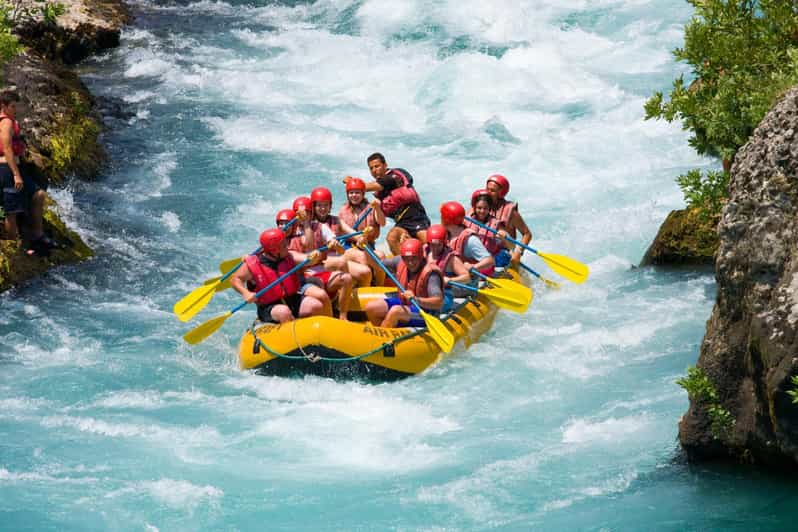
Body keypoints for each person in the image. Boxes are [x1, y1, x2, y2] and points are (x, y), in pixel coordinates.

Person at [231, 228, 331, 323]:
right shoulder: (252, 265)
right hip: (269, 306)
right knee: (283, 312)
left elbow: (306, 260)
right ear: (275, 250)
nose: (287, 247)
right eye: (284, 245)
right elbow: (235, 279)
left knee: (316, 305)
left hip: (292, 298)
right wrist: (245, 293)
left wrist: (314, 256)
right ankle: (293, 337)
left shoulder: (289, 255)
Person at [344, 152, 430, 256]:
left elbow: (372, 186)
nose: (374, 170)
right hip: (401, 222)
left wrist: (352, 183)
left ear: (385, 165)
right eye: (371, 168)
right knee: (392, 238)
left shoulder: (394, 176)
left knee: (425, 239)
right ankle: (404, 268)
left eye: (377, 166)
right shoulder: (380, 194)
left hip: (415, 217)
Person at [289, 192, 355, 320]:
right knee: (318, 296)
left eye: (307, 213)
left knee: (347, 278)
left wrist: (335, 245)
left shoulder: (321, 227)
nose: (303, 217)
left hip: (323, 271)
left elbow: (340, 251)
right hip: (305, 276)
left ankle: (343, 316)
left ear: (311, 213)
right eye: (300, 214)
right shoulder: (290, 231)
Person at [0, 91, 50, 256]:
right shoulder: (6, 123)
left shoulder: (10, 121)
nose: (16, 109)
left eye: (16, 106)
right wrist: (16, 174)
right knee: (12, 211)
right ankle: (16, 249)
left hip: (14, 166)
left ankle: (37, 234)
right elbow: (7, 148)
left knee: (38, 194)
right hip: (7, 169)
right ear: (3, 106)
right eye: (12, 106)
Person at [364, 238, 444, 328]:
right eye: (407, 259)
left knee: (396, 311)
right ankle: (386, 330)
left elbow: (438, 302)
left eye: (414, 258)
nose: (410, 263)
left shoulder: (431, 274)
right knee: (371, 307)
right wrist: (365, 247)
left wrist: (416, 299)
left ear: (421, 256)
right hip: (406, 304)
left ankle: (383, 336)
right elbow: (376, 264)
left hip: (426, 312)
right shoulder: (399, 261)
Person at [309, 186, 372, 287]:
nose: (323, 209)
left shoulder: (336, 220)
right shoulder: (309, 225)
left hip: (338, 255)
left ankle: (360, 291)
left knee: (364, 264)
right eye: (319, 205)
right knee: (362, 271)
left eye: (326, 205)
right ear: (313, 207)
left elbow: (353, 233)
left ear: (330, 206)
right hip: (322, 261)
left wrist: (362, 237)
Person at [483, 174, 532, 266]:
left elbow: (527, 234)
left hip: (504, 251)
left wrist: (518, 252)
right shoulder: (481, 206)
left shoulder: (510, 211)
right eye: (487, 189)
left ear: (501, 193)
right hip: (485, 248)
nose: (488, 193)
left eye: (492, 191)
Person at [440, 201, 495, 275]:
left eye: (442, 217)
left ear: (446, 220)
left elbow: (489, 261)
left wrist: (474, 267)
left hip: (464, 282)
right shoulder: (446, 234)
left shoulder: (470, 240)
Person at [464, 188, 513, 268]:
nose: (482, 211)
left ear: (489, 208)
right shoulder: (466, 220)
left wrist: (505, 238)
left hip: (490, 260)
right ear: (474, 207)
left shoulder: (496, 224)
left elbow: (512, 246)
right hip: (471, 258)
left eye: (485, 208)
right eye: (479, 208)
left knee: (503, 256)